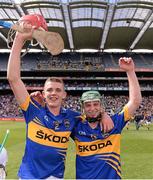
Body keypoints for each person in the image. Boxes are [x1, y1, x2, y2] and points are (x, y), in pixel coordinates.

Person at [7, 22, 113, 179]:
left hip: (56, 177)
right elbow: (13, 78)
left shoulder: (73, 117)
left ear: (64, 94)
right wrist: (19, 40)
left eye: (58, 90)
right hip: (29, 176)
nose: (53, 93)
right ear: (43, 93)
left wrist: (103, 114)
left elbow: (92, 116)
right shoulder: (32, 109)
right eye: (49, 90)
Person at [70, 57, 142, 179]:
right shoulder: (76, 125)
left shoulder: (115, 122)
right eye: (88, 105)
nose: (92, 108)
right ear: (83, 107)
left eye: (95, 104)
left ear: (101, 105)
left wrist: (130, 71)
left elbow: (135, 102)